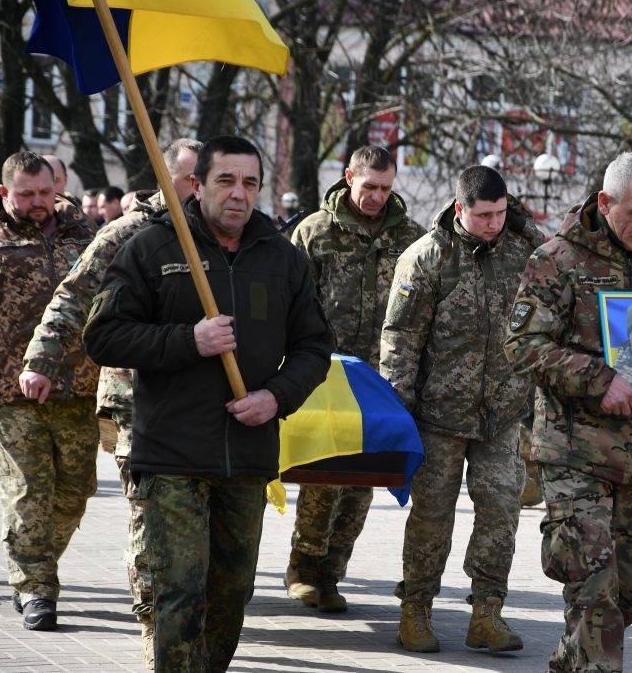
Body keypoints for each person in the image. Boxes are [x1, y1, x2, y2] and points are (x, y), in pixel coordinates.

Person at [83, 136, 333, 671]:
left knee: (232, 593)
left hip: (246, 457)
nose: (238, 194)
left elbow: (314, 348)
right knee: (178, 595)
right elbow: (103, 336)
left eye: (250, 183)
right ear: (196, 185)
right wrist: (188, 340)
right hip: (172, 454)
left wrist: (276, 397)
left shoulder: (283, 258)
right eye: (225, 180)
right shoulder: (154, 247)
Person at [505, 152, 632, 671]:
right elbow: (523, 344)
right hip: (573, 453)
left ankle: (570, 662)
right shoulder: (557, 260)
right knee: (594, 599)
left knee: (625, 599)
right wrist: (600, 380)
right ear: (604, 201)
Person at [21, 138, 201, 664]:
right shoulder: (127, 234)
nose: (201, 188)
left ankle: (192, 607)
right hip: (134, 398)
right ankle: (153, 623)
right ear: (168, 179)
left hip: (199, 401)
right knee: (147, 510)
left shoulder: (224, 235)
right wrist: (40, 360)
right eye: (190, 178)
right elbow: (72, 297)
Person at [381, 165, 543, 654]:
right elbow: (401, 338)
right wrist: (398, 411)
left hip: (503, 414)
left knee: (500, 517)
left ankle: (487, 615)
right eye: (482, 215)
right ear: (459, 210)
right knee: (432, 518)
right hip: (438, 417)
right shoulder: (428, 257)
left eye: (499, 212)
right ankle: (416, 610)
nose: (493, 223)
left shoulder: (526, 254)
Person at [286, 145, 425, 614]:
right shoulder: (313, 232)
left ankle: (333, 572)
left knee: (364, 480)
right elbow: (291, 302)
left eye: (386, 189)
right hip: (324, 372)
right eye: (369, 187)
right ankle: (304, 568)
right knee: (325, 472)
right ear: (349, 177)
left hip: (381, 377)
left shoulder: (410, 237)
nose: (377, 198)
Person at [0, 152, 98, 631]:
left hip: (78, 388)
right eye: (26, 194)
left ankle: (32, 563)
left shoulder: (84, 234)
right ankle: (35, 588)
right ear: (5, 193)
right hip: (11, 392)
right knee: (28, 493)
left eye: (44, 192)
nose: (37, 203)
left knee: (74, 491)